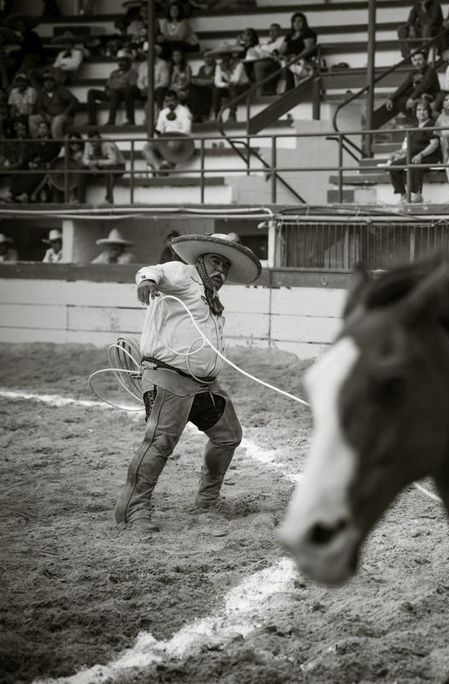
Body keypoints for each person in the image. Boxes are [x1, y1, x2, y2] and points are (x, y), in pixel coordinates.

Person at [115, 232, 262, 532]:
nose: (221, 270)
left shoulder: (211, 298)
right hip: (170, 378)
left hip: (203, 385)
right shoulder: (181, 274)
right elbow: (153, 271)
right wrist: (147, 281)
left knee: (228, 435)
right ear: (200, 261)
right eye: (215, 262)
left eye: (225, 266)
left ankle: (208, 501)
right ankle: (132, 509)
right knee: (160, 442)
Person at [386, 99, 441, 203]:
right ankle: (403, 195)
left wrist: (421, 154)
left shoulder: (431, 124)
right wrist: (397, 153)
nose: (421, 112)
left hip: (429, 156)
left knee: (414, 162)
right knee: (393, 166)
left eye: (424, 109)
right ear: (415, 112)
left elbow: (434, 144)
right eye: (419, 110)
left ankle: (417, 195)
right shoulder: (414, 127)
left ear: (428, 111)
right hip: (413, 156)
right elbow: (409, 147)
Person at [143, 91, 193, 174]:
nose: (170, 103)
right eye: (167, 101)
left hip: (181, 140)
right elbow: (160, 130)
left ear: (177, 100)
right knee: (147, 146)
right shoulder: (163, 113)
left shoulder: (184, 111)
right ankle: (158, 168)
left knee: (173, 144)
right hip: (165, 139)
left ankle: (167, 165)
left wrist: (172, 134)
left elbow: (186, 130)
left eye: (172, 100)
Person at [86, 50, 138, 126]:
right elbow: (107, 85)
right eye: (119, 61)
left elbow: (131, 86)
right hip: (110, 93)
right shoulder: (114, 72)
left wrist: (115, 90)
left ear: (129, 62)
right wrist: (107, 91)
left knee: (115, 92)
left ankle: (111, 120)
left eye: (123, 61)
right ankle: (92, 120)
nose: (121, 63)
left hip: (121, 94)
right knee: (91, 92)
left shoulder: (132, 72)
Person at [29, 70, 77, 140]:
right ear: (43, 83)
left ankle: (58, 143)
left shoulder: (61, 90)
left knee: (57, 120)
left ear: (54, 82)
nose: (48, 83)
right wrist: (44, 115)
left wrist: (66, 112)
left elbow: (74, 101)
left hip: (64, 117)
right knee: (32, 119)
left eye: (50, 81)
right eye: (46, 82)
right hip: (49, 116)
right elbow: (39, 108)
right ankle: (38, 141)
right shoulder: (42, 93)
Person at [83, 131, 125, 204]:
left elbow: (113, 161)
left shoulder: (108, 143)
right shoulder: (88, 143)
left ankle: (109, 199)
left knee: (108, 169)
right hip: (98, 167)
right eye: (92, 141)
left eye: (96, 141)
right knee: (81, 169)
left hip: (118, 167)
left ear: (99, 138)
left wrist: (97, 162)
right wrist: (90, 165)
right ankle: (80, 199)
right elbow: (84, 159)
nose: (94, 144)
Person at [280, 12, 317, 90]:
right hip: (289, 60)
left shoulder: (308, 33)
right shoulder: (289, 35)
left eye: (300, 21)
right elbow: (282, 49)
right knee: (285, 62)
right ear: (292, 23)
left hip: (302, 59)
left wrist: (296, 57)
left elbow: (309, 48)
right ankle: (290, 88)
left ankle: (290, 89)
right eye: (295, 21)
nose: (297, 23)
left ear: (304, 22)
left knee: (290, 63)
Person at [247, 22, 285, 95]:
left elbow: (275, 53)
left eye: (275, 30)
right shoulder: (265, 42)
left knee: (258, 65)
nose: (272, 32)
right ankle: (248, 91)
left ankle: (259, 92)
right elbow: (256, 49)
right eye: (270, 30)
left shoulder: (282, 40)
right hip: (260, 59)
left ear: (280, 32)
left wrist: (262, 52)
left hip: (274, 62)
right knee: (246, 64)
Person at [213, 47, 248, 121]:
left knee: (233, 87)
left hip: (243, 86)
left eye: (226, 56)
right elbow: (217, 82)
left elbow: (236, 79)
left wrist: (228, 71)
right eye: (222, 56)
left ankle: (232, 114)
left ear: (230, 56)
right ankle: (217, 115)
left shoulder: (239, 64)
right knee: (216, 90)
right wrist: (225, 85)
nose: (224, 58)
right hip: (229, 86)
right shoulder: (219, 65)